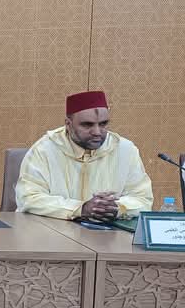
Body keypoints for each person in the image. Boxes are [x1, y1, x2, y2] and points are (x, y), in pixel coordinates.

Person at [16, 90, 152, 221]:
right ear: (68, 124)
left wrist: (116, 208)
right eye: (87, 125)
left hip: (107, 233)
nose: (97, 132)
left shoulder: (125, 150)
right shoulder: (45, 150)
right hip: (51, 231)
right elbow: (28, 198)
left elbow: (143, 199)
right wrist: (80, 209)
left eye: (103, 124)